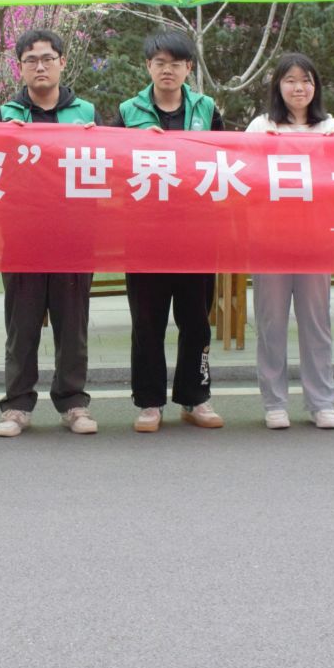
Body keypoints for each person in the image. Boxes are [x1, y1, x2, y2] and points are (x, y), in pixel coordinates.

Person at [117, 28, 226, 432]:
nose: (168, 70)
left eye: (176, 63)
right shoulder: (128, 112)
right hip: (144, 234)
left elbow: (225, 161)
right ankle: (148, 402)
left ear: (189, 68)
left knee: (196, 320)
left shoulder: (207, 108)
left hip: (197, 233)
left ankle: (195, 398)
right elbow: (112, 168)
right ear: (148, 67)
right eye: (159, 63)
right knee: (148, 321)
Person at [0, 28, 98, 437]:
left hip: (74, 238)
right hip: (22, 238)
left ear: (62, 63)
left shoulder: (87, 114)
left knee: (73, 326)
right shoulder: (4, 115)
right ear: (20, 67)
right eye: (31, 60)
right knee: (21, 326)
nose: (40, 66)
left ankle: (73, 401)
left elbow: (108, 167)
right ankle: (17, 405)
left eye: (48, 58)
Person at [245, 53, 334, 429]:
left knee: (316, 322)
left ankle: (321, 402)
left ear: (315, 86)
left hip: (316, 239)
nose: (298, 87)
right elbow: (245, 176)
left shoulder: (331, 128)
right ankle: (274, 402)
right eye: (290, 80)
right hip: (270, 240)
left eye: (306, 80)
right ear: (278, 86)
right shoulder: (261, 126)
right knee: (271, 323)